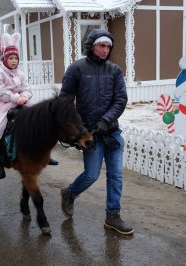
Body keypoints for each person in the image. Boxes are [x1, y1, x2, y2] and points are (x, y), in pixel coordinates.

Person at [59, 29, 133, 235]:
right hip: (90, 134)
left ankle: (113, 215)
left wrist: (106, 121)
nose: (105, 50)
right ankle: (69, 193)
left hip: (111, 132)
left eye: (108, 47)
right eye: (102, 45)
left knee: (116, 176)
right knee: (91, 175)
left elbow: (121, 100)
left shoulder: (114, 71)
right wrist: (76, 129)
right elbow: (65, 100)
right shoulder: (77, 69)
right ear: (91, 45)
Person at [0, 33, 33, 180]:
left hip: (21, 101)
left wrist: (25, 97)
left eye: (16, 58)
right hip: (2, 103)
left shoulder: (21, 74)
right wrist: (16, 97)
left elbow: (27, 88)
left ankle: (36, 152)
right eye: (11, 58)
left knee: (36, 119)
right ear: (5, 58)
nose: (14, 61)